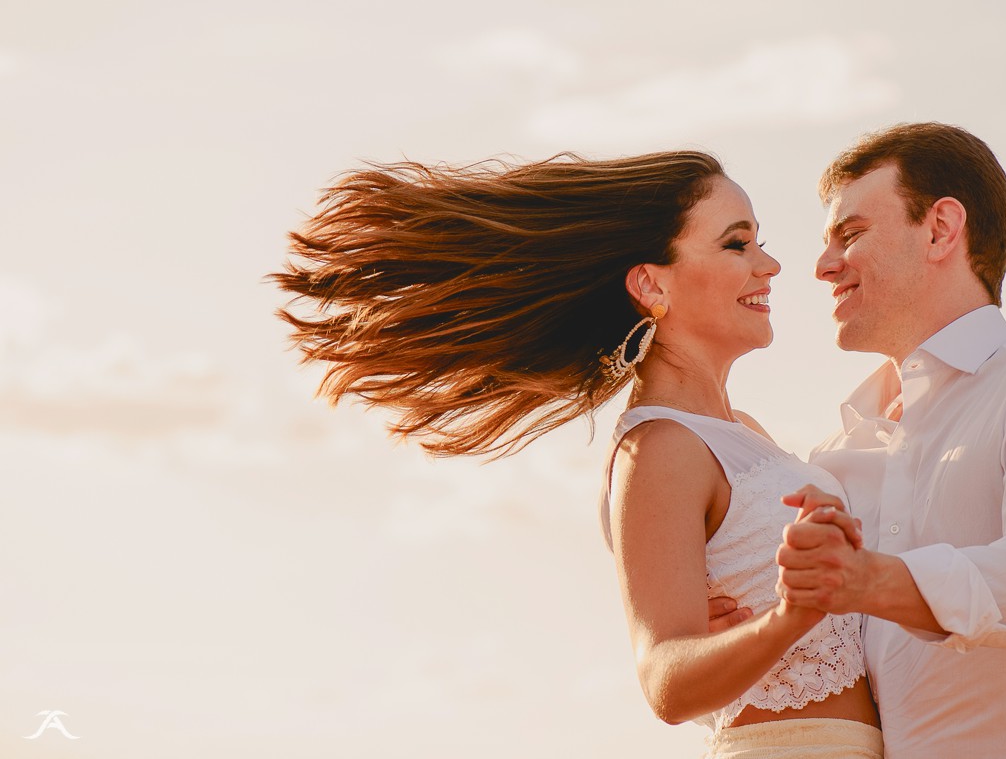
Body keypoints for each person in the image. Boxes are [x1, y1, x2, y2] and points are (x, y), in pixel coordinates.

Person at [272, 150, 883, 758]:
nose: (770, 265)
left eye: (759, 243)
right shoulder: (659, 447)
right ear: (651, 284)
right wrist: (790, 616)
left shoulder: (740, 430)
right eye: (736, 245)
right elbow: (664, 681)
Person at [769, 123, 1006, 757]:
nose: (823, 266)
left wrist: (869, 580)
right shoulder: (834, 454)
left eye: (850, 234)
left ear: (940, 229)